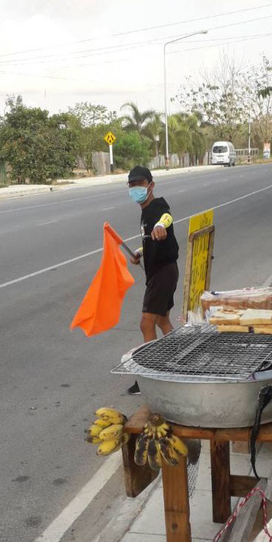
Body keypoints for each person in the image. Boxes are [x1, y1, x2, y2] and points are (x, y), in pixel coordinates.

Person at [126, 165, 179, 395]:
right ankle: (180, 360)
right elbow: (150, 239)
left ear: (151, 185)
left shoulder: (157, 206)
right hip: (163, 272)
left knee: (146, 324)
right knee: (162, 321)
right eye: (131, 185)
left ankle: (151, 375)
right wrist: (140, 251)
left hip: (162, 274)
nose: (135, 188)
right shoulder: (144, 212)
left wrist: (160, 225)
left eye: (139, 184)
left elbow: (166, 217)